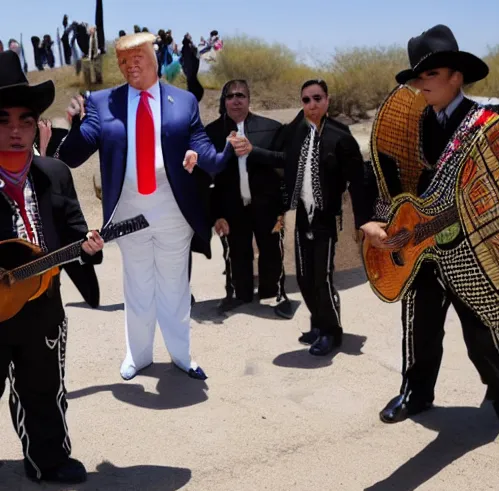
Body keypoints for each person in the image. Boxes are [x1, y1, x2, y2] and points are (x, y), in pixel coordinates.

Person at [359, 24, 499, 458]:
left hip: (471, 250)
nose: (422, 85)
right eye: (417, 77)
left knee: (482, 334)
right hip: (421, 248)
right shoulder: (410, 125)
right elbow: (385, 180)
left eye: (431, 75)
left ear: (456, 77)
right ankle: (416, 391)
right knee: (418, 327)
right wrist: (374, 219)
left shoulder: (488, 123)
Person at [57, 32, 235, 381]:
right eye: (123, 61)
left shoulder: (183, 102)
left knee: (174, 287)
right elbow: (73, 156)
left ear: (155, 58)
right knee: (137, 285)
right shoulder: (102, 102)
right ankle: (137, 357)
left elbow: (207, 155)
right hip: (128, 211)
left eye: (137, 57)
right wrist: (74, 125)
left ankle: (181, 355)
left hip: (172, 207)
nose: (129, 65)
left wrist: (223, 151)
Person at [0, 50, 104, 483]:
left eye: (26, 121)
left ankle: (49, 459)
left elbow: (76, 231)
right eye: (3, 121)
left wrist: (90, 249)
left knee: (43, 387)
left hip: (44, 302)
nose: (16, 131)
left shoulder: (55, 173)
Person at [236, 79, 367, 355]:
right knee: (306, 278)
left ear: (327, 100)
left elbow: (358, 182)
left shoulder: (341, 136)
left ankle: (333, 332)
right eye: (306, 100)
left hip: (327, 219)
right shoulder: (298, 133)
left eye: (317, 98)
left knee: (323, 278)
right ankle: (318, 324)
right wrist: (252, 151)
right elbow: (282, 158)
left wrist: (363, 221)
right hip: (302, 217)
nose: (312, 105)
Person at [206, 79, 293, 318]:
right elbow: (206, 178)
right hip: (231, 207)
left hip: (267, 204)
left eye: (241, 95)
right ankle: (238, 295)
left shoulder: (271, 128)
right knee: (236, 252)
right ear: (224, 102)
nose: (236, 100)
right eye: (230, 96)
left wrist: (255, 151)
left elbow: (285, 159)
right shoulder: (211, 132)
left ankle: (273, 294)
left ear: (249, 99)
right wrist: (215, 214)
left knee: (272, 250)